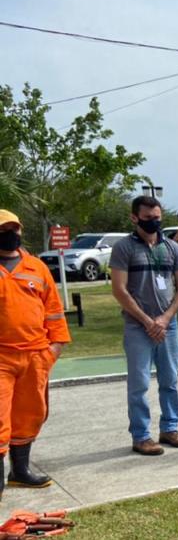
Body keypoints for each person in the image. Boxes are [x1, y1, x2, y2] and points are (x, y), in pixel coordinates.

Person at [110, 196, 178, 456]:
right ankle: (141, 435)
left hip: (167, 325)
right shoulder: (124, 248)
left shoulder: (172, 248)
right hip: (137, 326)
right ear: (135, 218)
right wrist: (147, 321)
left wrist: (165, 318)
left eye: (157, 217)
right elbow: (120, 290)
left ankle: (170, 427)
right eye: (148, 218)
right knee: (139, 383)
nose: (154, 221)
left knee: (170, 379)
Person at [0, 209, 71, 498]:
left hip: (35, 356)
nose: (11, 233)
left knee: (31, 415)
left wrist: (52, 350)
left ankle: (20, 471)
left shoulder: (36, 267)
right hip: (2, 358)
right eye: (4, 228)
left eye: (14, 228)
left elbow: (54, 311)